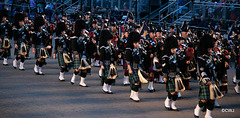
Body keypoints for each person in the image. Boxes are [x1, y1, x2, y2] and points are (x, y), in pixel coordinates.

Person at [194, 34, 217, 118]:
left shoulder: (212, 57)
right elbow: (201, 71)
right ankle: (197, 109)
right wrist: (206, 80)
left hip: (212, 79)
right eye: (209, 49)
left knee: (212, 99)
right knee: (204, 99)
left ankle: (208, 115)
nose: (211, 51)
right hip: (205, 80)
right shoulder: (201, 58)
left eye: (211, 49)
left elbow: (214, 68)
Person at [126, 31, 146, 102]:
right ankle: (135, 95)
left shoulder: (137, 49)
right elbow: (128, 60)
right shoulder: (129, 50)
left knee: (136, 81)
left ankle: (133, 94)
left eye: (137, 42)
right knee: (136, 81)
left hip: (137, 67)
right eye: (135, 43)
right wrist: (129, 69)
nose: (137, 44)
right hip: (132, 67)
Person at [162, 35, 181, 111]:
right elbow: (164, 67)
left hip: (177, 75)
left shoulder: (176, 56)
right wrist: (164, 76)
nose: (174, 50)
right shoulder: (166, 57)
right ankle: (167, 100)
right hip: (170, 75)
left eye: (175, 48)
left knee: (176, 91)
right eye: (172, 49)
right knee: (172, 91)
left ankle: (173, 104)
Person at [70, 19, 90, 87]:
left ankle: (82, 82)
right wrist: (76, 54)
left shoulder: (85, 37)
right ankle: (74, 76)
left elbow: (88, 45)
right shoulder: (74, 37)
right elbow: (73, 46)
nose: (84, 31)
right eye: (83, 30)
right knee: (77, 69)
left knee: (85, 69)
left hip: (84, 54)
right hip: (78, 54)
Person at [100, 29, 117, 94]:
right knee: (108, 76)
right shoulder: (103, 47)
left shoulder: (111, 46)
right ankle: (105, 86)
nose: (109, 42)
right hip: (106, 63)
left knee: (112, 76)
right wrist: (101, 65)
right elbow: (101, 56)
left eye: (110, 40)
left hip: (111, 63)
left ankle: (109, 88)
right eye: (108, 40)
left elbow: (113, 54)